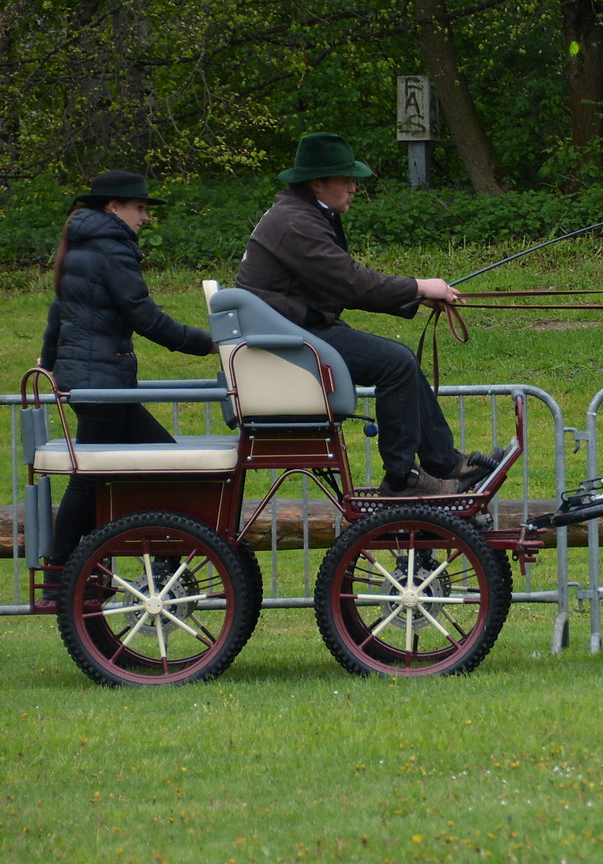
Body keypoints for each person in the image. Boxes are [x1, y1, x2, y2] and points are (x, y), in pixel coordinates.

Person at [235, 132, 492, 496]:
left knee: (400, 360)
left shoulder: (301, 214)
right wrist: (420, 287)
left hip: (290, 333)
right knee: (396, 363)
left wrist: (417, 297)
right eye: (346, 180)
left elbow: (342, 284)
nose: (354, 188)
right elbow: (352, 283)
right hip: (284, 344)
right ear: (316, 183)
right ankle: (402, 480)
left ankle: (443, 462)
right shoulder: (296, 223)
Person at [39, 170, 218, 572]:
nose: (145, 216)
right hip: (101, 384)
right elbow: (145, 316)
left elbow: (61, 310)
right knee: (95, 479)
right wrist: (206, 344)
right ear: (113, 207)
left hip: (96, 381)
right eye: (139, 208)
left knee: (153, 468)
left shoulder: (83, 244)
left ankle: (152, 558)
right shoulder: (110, 250)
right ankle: (60, 571)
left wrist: (48, 362)